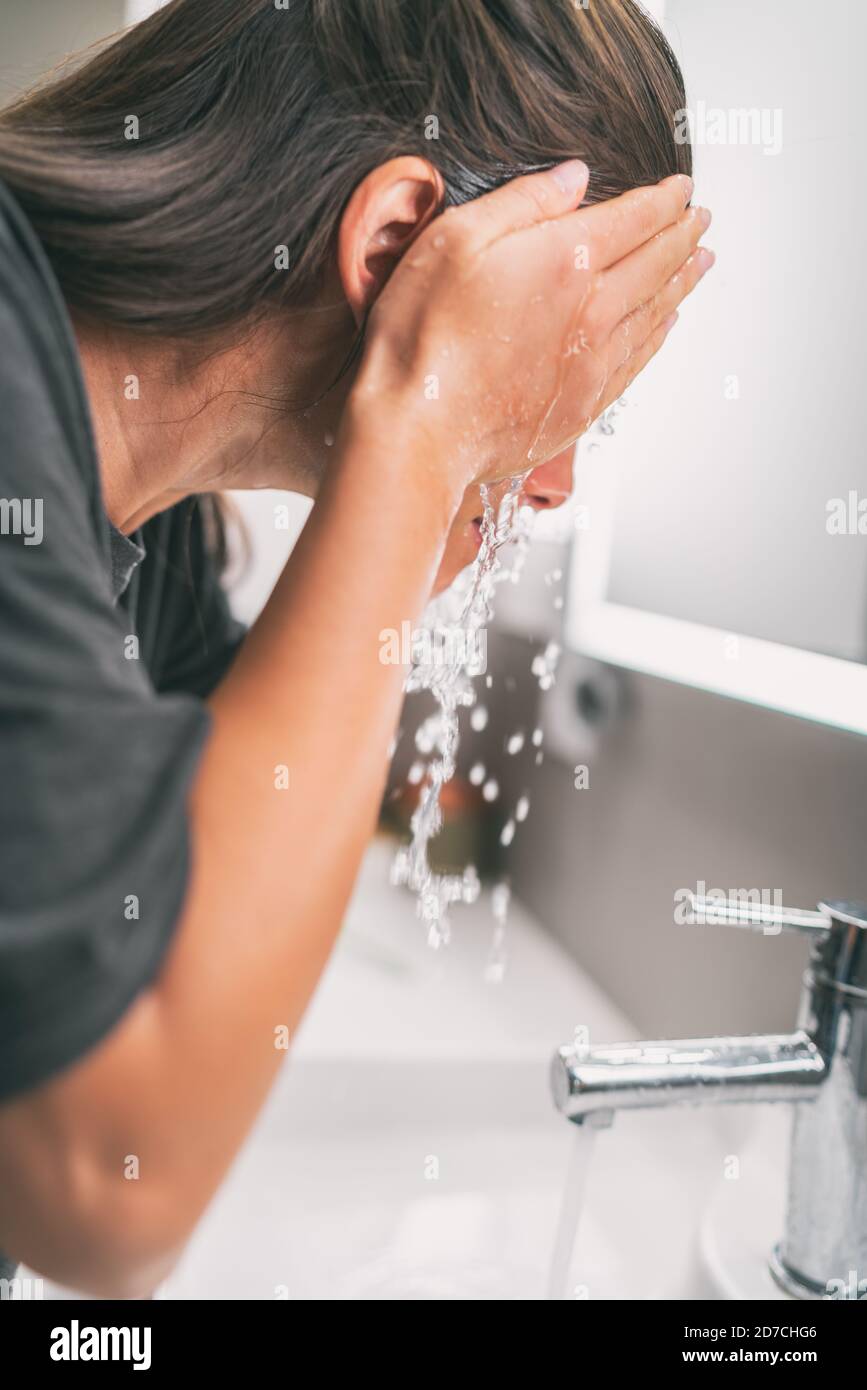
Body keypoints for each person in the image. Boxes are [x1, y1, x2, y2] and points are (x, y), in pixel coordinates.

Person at [0, 0, 712, 1296]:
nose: (552, 483)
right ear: (393, 247)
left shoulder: (148, 537)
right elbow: (113, 1177)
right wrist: (428, 424)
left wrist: (418, 481)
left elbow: (193, 914)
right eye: (562, 394)